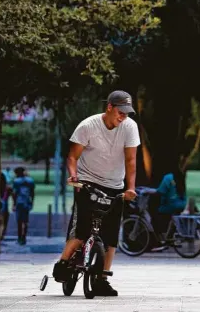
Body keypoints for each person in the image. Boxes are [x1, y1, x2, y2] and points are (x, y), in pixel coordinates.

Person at [52, 90, 139, 297]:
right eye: (120, 112)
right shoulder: (88, 126)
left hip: (115, 185)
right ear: (109, 107)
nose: (123, 117)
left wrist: (130, 187)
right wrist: (74, 177)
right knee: (81, 230)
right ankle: (63, 262)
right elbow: (72, 157)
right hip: (87, 182)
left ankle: (102, 280)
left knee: (110, 236)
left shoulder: (129, 127)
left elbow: (131, 161)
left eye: (127, 113)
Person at [12, 166, 35, 245]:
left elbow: (14, 194)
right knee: (25, 221)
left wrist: (14, 204)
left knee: (19, 221)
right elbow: (32, 193)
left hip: (19, 202)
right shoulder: (30, 181)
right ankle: (24, 237)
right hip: (27, 202)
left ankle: (19, 238)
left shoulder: (16, 181)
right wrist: (32, 202)